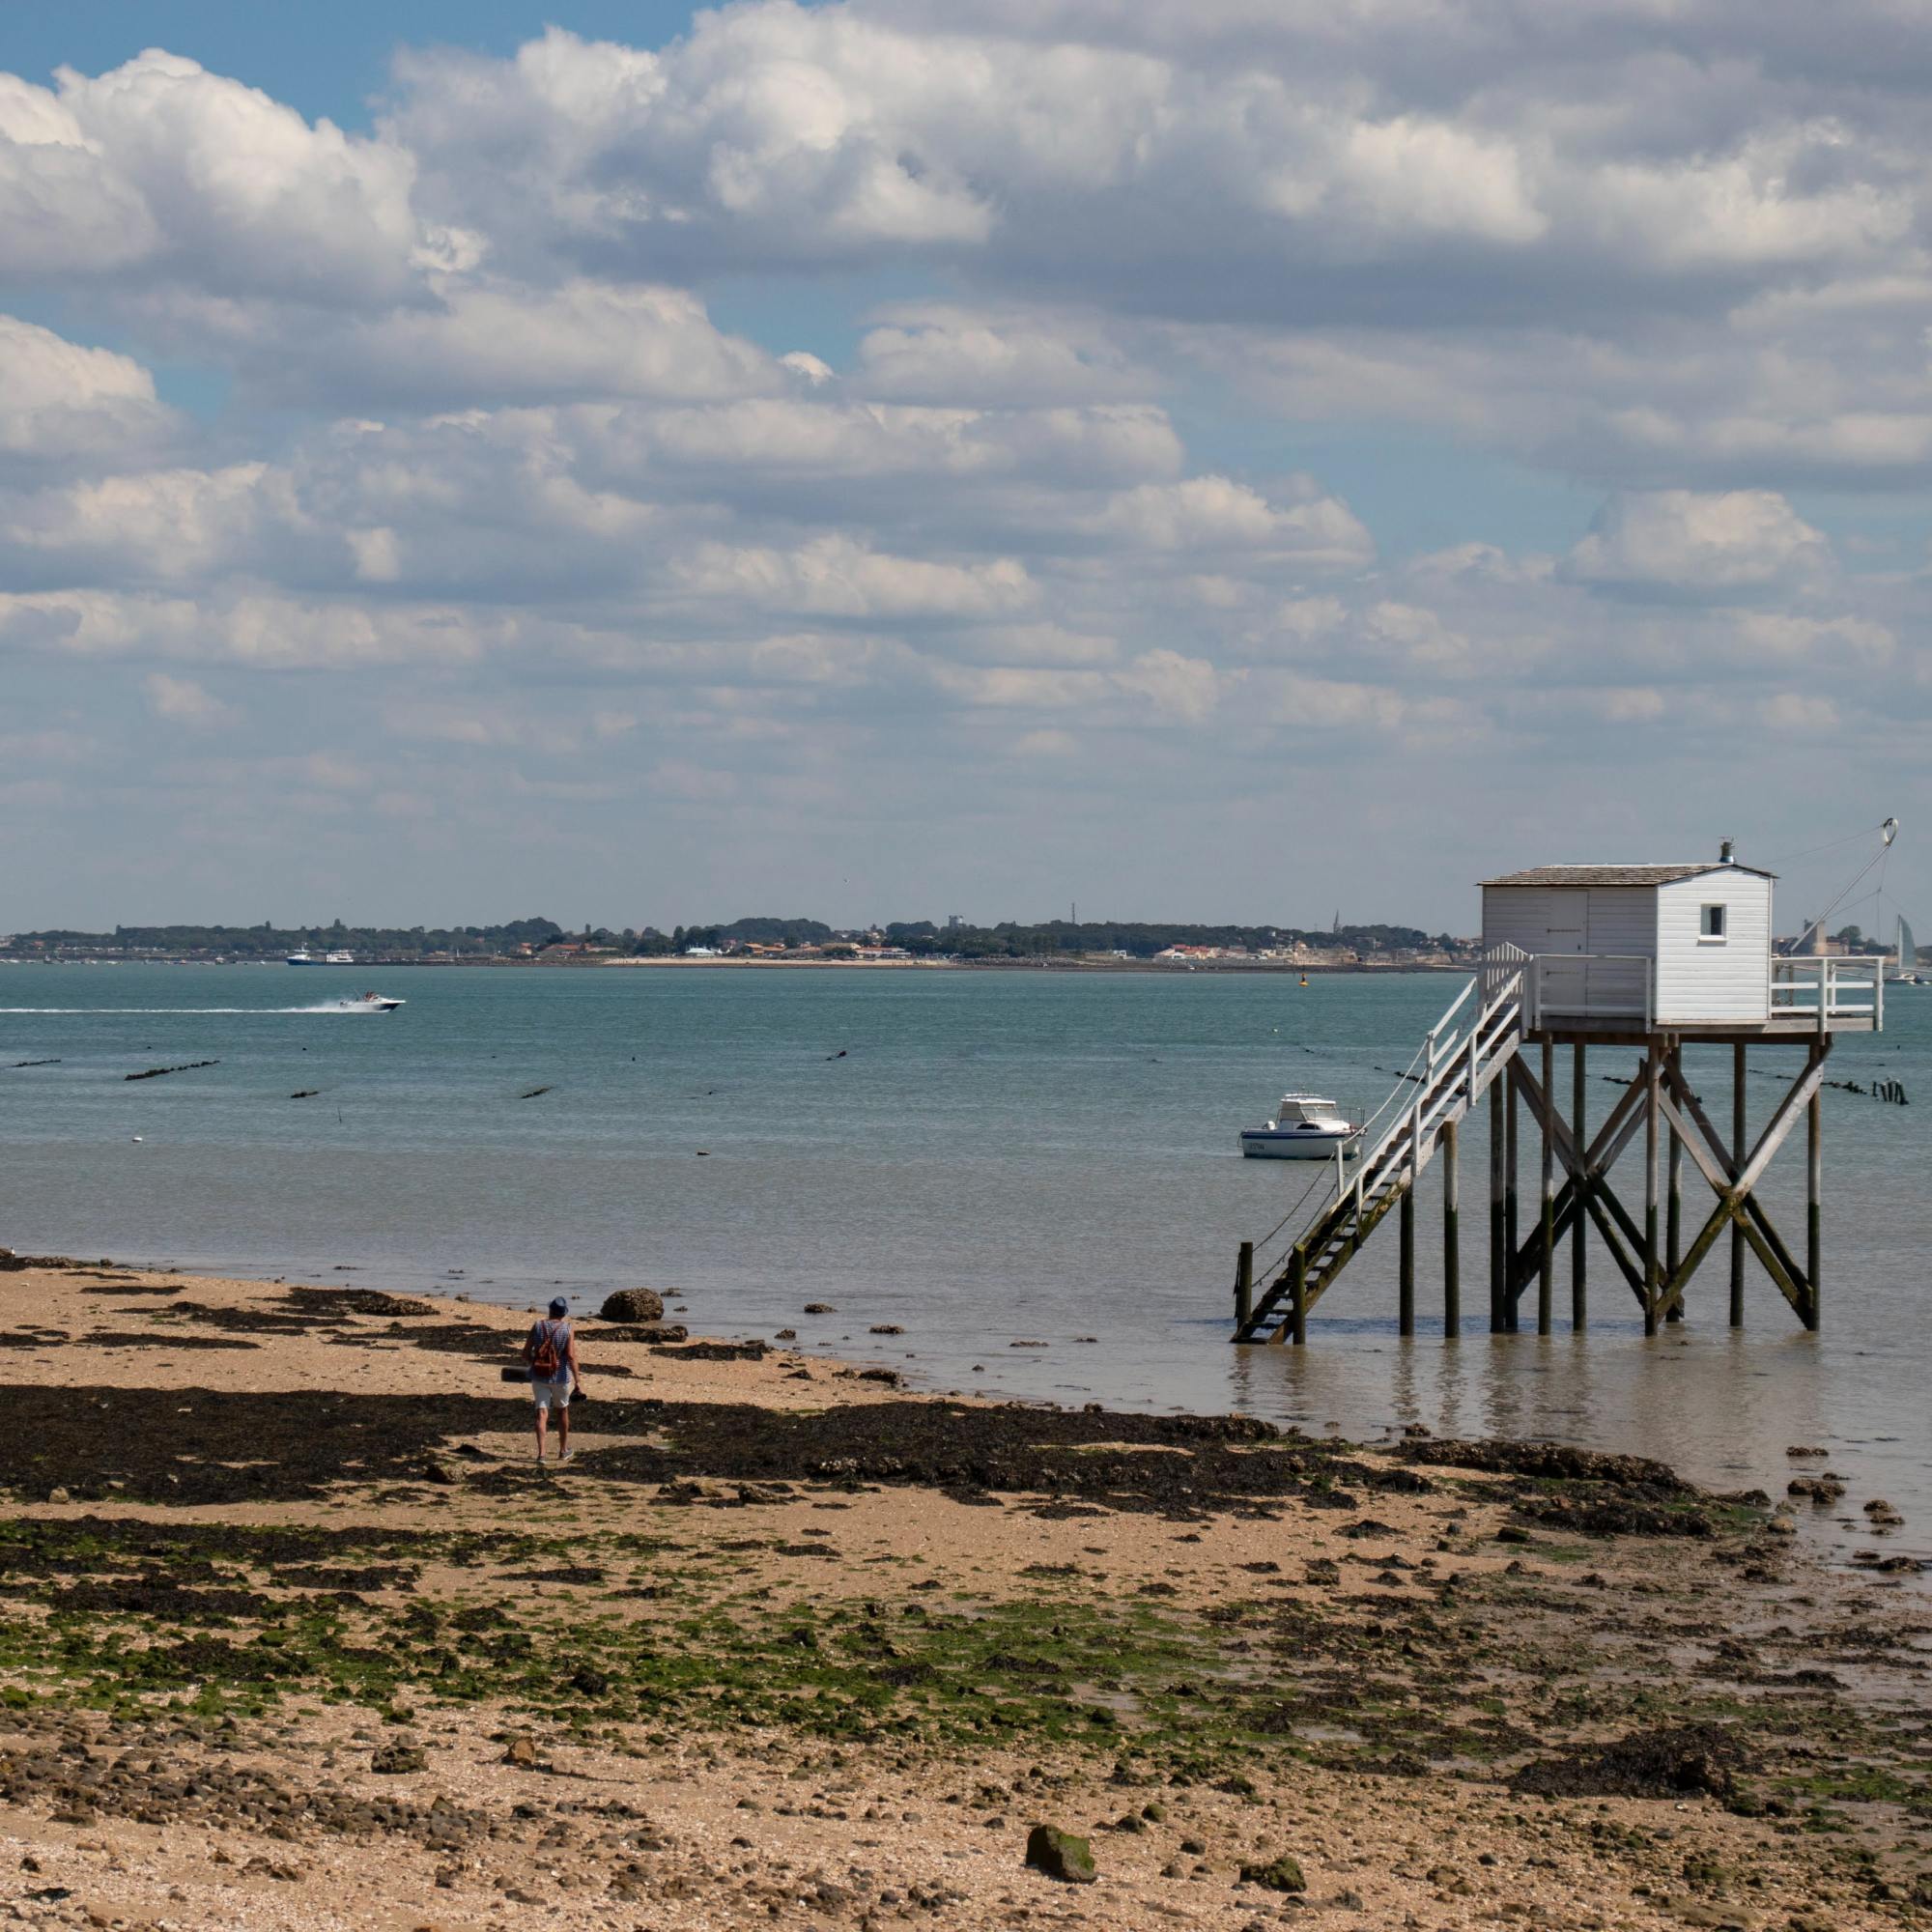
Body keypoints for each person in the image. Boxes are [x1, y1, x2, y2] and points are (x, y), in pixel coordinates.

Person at [523, 1296, 581, 1463]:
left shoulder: (538, 1326)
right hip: (561, 1376)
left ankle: (541, 1454)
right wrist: (578, 1380)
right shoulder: (568, 1328)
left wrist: (534, 1364)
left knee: (541, 1413)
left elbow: (525, 1353)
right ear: (564, 1313)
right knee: (562, 1411)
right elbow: (570, 1356)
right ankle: (563, 1450)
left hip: (539, 1376)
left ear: (550, 1310)